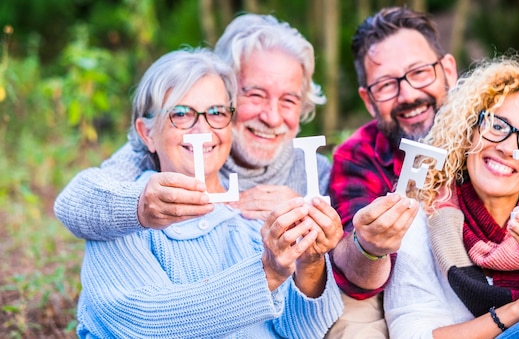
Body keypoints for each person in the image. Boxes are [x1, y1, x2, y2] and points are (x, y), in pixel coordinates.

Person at [76, 47, 343, 338]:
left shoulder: (257, 213)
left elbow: (303, 331)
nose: (202, 129)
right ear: (147, 133)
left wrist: (311, 262)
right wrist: (267, 273)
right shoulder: (121, 216)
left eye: (216, 113)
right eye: (181, 114)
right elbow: (144, 324)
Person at [384, 55, 519, 338]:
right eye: (497, 126)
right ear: (469, 134)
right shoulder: (420, 218)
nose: (508, 148)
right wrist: (517, 310)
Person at [54, 13, 330, 239]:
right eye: (255, 95)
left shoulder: (315, 172)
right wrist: (141, 206)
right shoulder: (178, 148)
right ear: (224, 93)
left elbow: (349, 268)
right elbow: (74, 203)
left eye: (289, 100)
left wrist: (303, 213)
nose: (271, 117)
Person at [327, 7, 458, 337]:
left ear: (448, 71)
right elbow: (357, 282)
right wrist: (368, 247)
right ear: (369, 101)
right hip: (394, 301)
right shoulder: (357, 156)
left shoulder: (496, 138)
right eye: (386, 85)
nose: (409, 95)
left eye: (420, 73)